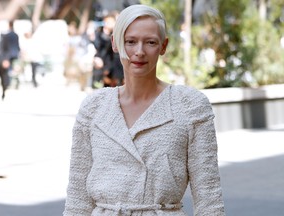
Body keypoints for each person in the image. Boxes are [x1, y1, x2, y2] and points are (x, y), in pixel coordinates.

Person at [63, 4, 225, 216]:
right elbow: (77, 199)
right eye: (130, 42)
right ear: (115, 43)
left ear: (163, 46)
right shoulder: (94, 107)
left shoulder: (190, 106)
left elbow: (209, 197)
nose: (139, 52)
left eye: (150, 42)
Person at [0, 20, 20, 99]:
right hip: (12, 56)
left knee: (7, 73)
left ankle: (8, 86)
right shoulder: (15, 35)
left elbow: (4, 48)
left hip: (6, 57)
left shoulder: (5, 35)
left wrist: (5, 58)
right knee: (11, 72)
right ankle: (9, 85)